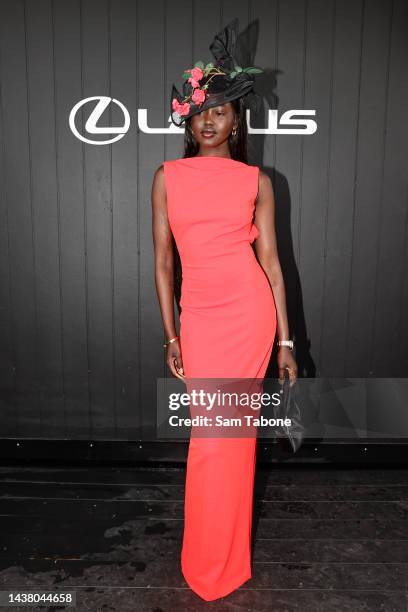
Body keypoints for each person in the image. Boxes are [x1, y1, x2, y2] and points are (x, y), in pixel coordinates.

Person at [151, 18, 298, 601]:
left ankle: (225, 562)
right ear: (187, 119)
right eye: (200, 110)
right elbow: (163, 264)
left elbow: (273, 266)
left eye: (220, 109)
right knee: (210, 441)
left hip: (249, 315)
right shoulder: (166, 178)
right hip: (203, 319)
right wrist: (172, 334)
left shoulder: (257, 180)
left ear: (237, 119)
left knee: (229, 441)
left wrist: (286, 342)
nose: (209, 118)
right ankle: (208, 560)